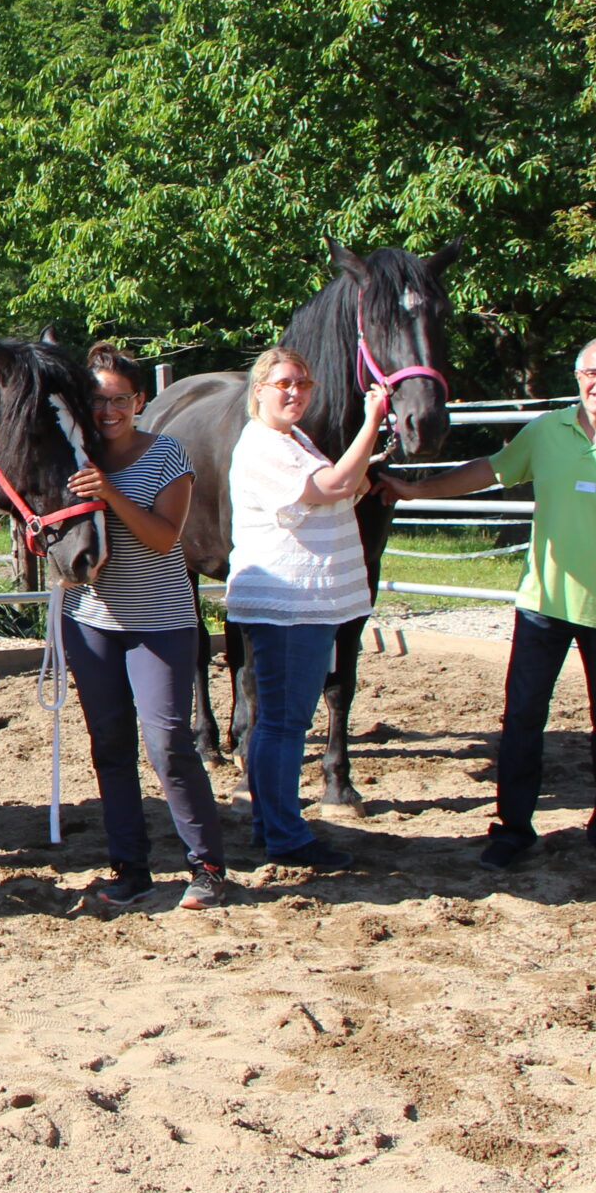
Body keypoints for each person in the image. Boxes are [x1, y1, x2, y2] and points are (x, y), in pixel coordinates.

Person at [380, 335, 596, 871]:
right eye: (593, 372)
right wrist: (416, 490)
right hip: (541, 605)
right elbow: (490, 470)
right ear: (578, 376)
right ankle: (513, 829)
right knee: (522, 719)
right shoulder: (548, 431)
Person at [60, 344, 229, 910]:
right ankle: (129, 867)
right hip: (90, 620)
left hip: (159, 623)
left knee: (167, 744)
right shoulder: (71, 458)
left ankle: (206, 865)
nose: (107, 410)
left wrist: (108, 494)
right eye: (97, 400)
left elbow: (163, 538)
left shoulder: (166, 456)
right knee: (109, 746)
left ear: (139, 401)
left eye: (119, 399)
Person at [224, 345, 391, 872]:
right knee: (284, 722)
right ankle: (286, 834)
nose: (295, 392)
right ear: (259, 391)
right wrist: (371, 423)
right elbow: (338, 485)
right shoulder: (264, 445)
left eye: (303, 384)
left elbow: (349, 487)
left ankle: (269, 823)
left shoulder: (293, 438)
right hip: (290, 602)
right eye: (284, 384)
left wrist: (361, 462)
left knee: (279, 719)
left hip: (304, 601)